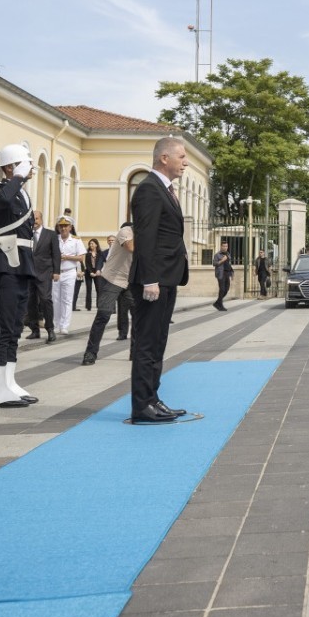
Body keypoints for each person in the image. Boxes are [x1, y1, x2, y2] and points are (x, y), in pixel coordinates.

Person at [128, 136, 191, 423]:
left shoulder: (163, 189)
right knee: (146, 344)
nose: (186, 162)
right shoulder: (149, 190)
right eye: (182, 157)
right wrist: (150, 279)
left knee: (158, 343)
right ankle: (142, 406)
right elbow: (146, 237)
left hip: (167, 278)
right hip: (153, 280)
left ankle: (153, 399)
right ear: (164, 158)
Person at [0, 144, 39, 408]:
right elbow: (2, 202)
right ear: (9, 167)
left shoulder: (23, 195)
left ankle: (10, 384)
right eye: (23, 164)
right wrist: (16, 177)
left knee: (16, 328)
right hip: (3, 265)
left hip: (23, 265)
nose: (30, 168)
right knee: (3, 327)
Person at [82, 222, 135, 365]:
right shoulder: (126, 231)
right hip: (113, 279)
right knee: (103, 315)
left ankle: (135, 353)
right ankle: (90, 353)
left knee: (138, 318)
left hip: (132, 282)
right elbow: (131, 247)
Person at [24, 210, 60, 342]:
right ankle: (34, 330)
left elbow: (56, 254)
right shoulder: (26, 234)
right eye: (33, 219)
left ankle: (50, 329)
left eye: (37, 218)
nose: (35, 221)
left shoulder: (50, 234)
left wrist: (57, 271)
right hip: (28, 273)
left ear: (42, 219)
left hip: (45, 272)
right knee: (30, 302)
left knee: (45, 300)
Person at [52, 217, 85, 336]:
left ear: (70, 227)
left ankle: (64, 325)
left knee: (67, 299)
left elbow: (81, 258)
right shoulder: (55, 239)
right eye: (61, 226)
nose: (63, 228)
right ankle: (56, 325)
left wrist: (66, 257)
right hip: (56, 272)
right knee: (55, 299)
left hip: (69, 271)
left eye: (66, 226)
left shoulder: (76, 240)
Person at [82, 238, 102, 310]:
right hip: (88, 273)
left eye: (92, 243)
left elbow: (101, 263)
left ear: (96, 245)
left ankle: (99, 305)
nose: (91, 245)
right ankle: (88, 306)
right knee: (89, 289)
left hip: (97, 273)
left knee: (99, 289)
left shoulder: (100, 254)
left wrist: (97, 271)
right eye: (90, 244)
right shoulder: (87, 254)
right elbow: (87, 264)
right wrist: (90, 272)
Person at [212, 241, 233, 311]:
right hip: (221, 274)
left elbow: (229, 264)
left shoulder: (228, 254)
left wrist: (231, 272)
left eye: (226, 246)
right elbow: (214, 263)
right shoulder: (217, 255)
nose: (225, 247)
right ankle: (220, 305)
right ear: (221, 246)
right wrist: (222, 260)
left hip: (227, 274)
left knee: (226, 289)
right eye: (223, 246)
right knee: (222, 289)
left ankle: (217, 302)